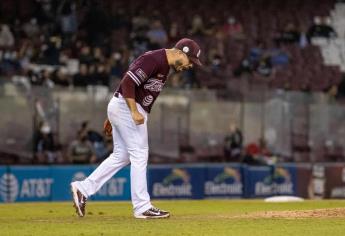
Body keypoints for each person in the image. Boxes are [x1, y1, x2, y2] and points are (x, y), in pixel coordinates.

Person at [71, 38, 202, 219]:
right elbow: (127, 83)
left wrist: (113, 116)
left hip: (122, 107)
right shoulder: (155, 59)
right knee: (139, 154)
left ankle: (83, 188)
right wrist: (132, 111)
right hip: (128, 108)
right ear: (180, 53)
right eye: (191, 60)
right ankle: (142, 207)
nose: (190, 66)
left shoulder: (164, 65)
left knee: (121, 156)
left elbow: (128, 85)